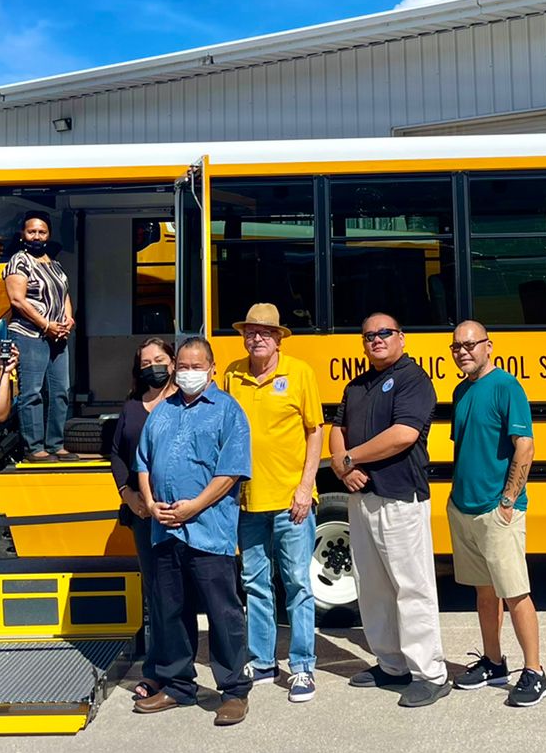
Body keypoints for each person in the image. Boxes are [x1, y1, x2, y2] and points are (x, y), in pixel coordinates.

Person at [132, 337, 253, 726]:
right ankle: (178, 685)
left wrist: (195, 506)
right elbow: (143, 462)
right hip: (164, 530)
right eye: (181, 366)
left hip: (208, 530)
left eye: (195, 366)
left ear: (212, 369)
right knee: (169, 611)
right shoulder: (162, 411)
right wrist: (150, 504)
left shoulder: (227, 411)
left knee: (223, 613)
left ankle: (234, 690)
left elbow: (232, 469)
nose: (187, 372)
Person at [328, 313, 446, 707]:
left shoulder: (413, 379)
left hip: (400, 498)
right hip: (362, 499)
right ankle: (391, 664)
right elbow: (337, 428)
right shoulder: (357, 384)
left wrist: (348, 461)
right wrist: (345, 467)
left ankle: (430, 672)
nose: (376, 340)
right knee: (373, 587)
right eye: (368, 336)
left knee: (411, 587)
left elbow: (403, 435)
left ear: (401, 337)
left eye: (384, 333)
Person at [446, 321, 546, 707]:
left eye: (470, 345)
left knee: (516, 593)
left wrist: (508, 501)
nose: (463, 351)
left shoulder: (507, 387)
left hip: (496, 509)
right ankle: (493, 661)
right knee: (484, 592)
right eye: (456, 346)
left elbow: (525, 446)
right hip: (464, 508)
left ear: (489, 346)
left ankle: (535, 671)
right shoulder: (461, 391)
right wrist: (456, 501)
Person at [222, 303, 323, 704]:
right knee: (255, 584)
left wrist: (305, 487)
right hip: (248, 501)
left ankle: (302, 667)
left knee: (297, 583)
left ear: (279, 337)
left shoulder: (299, 373)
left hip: (290, 500)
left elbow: (314, 433)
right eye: (250, 331)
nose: (256, 337)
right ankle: (263, 660)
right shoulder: (232, 373)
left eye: (265, 331)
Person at [108, 337, 175, 701]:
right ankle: (157, 670)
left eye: (160, 359)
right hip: (143, 515)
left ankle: (182, 670)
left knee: (180, 593)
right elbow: (118, 453)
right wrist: (128, 495)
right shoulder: (133, 405)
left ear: (174, 362)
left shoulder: (186, 401)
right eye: (146, 362)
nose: (154, 367)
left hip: (184, 514)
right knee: (155, 594)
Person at [3, 211, 76, 460]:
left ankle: (56, 444)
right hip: (29, 334)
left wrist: (68, 318)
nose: (37, 236)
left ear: (49, 234)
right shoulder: (18, 261)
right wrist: (46, 325)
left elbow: (63, 294)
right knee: (32, 392)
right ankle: (34, 448)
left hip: (58, 336)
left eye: (41, 231)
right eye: (31, 231)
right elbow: (17, 300)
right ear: (23, 234)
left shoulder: (53, 263)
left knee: (60, 390)